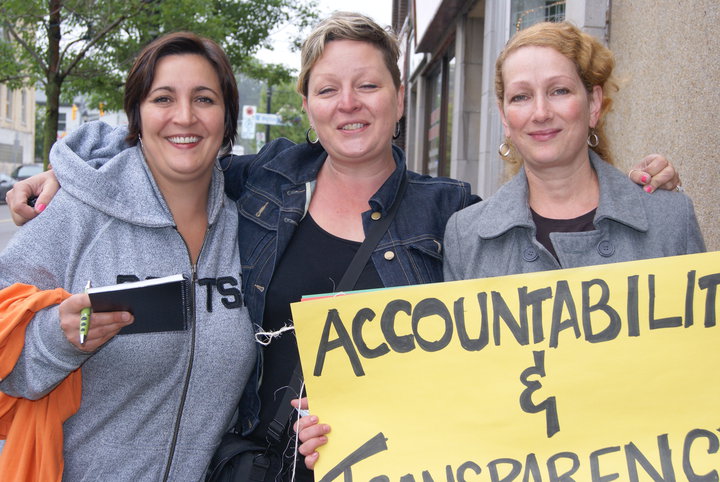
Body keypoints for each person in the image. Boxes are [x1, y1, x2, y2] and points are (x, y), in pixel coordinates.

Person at [4, 13, 684, 477]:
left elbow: (534, 313)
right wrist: (65, 177)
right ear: (307, 104)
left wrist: (619, 194)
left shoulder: (454, 215)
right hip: (252, 468)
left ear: (398, 99)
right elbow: (170, 144)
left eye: (368, 85)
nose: (349, 103)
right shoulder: (257, 184)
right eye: (329, 89)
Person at [0, 32, 256, 480]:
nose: (185, 116)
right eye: (163, 98)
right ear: (136, 112)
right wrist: (56, 339)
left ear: (227, 116)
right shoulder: (77, 214)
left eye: (204, 99)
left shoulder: (252, 229)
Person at [443, 21, 705, 285]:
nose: (541, 113)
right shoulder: (464, 237)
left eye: (559, 91)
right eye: (521, 97)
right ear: (504, 116)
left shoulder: (671, 219)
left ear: (593, 103)